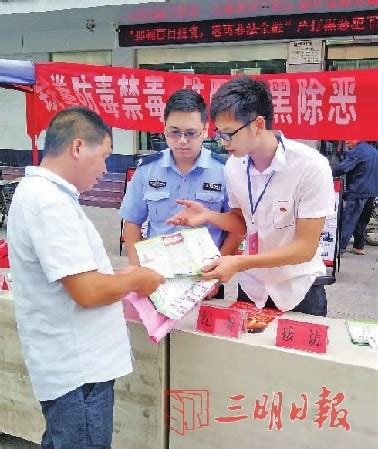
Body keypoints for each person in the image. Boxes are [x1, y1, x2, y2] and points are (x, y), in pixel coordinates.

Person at [7, 106, 164, 449]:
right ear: (78, 148)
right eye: (104, 155)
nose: (106, 168)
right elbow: (88, 291)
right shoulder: (49, 204)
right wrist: (136, 279)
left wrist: (118, 276)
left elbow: (82, 277)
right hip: (78, 374)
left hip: (73, 367)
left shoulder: (45, 195)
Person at [167, 76, 335, 316]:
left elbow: (305, 248)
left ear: (257, 125)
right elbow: (243, 223)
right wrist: (208, 216)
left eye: (229, 134)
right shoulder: (234, 166)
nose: (223, 142)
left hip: (297, 290)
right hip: (252, 288)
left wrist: (239, 263)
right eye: (219, 134)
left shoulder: (310, 167)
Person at [119, 88, 243, 295]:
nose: (182, 140)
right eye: (174, 132)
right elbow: (132, 222)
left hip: (205, 279)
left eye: (191, 133)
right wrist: (138, 270)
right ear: (164, 129)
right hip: (157, 278)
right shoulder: (147, 170)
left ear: (205, 131)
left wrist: (216, 278)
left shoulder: (224, 171)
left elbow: (238, 227)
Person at [332, 140, 378, 255]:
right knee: (362, 220)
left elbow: (343, 168)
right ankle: (359, 246)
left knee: (349, 219)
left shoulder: (357, 151)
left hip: (358, 189)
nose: (346, 142)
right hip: (371, 190)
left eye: (349, 138)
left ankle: (339, 248)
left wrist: (326, 172)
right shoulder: (373, 151)